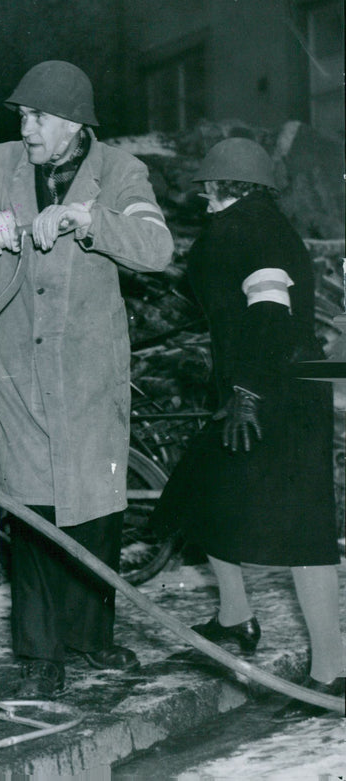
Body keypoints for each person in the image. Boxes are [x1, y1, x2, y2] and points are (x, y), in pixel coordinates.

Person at [0, 61, 174, 698]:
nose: (26, 128)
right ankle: (40, 653)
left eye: (39, 117)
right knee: (31, 512)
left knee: (95, 510)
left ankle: (91, 641)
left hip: (88, 377)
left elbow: (156, 246)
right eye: (23, 116)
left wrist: (90, 220)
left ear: (75, 124)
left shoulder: (120, 172)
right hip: (17, 372)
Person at [150, 138, 344, 718]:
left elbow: (269, 311)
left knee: (304, 528)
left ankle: (332, 669)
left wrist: (247, 392)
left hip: (276, 395)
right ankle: (236, 615)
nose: (201, 193)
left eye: (205, 183)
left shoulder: (252, 230)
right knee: (201, 492)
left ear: (219, 184)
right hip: (265, 390)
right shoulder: (250, 223)